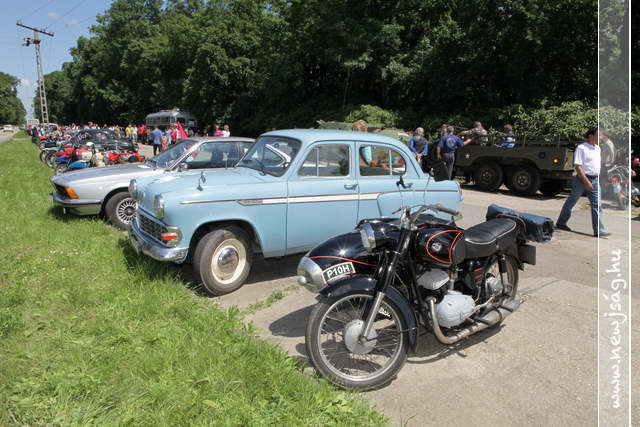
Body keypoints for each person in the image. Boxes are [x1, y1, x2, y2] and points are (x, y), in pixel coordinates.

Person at [556, 127, 610, 238]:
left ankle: (599, 230)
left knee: (597, 205)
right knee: (572, 201)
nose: (600, 138)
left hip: (595, 180)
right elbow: (578, 167)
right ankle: (561, 222)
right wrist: (587, 182)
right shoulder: (581, 148)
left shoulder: (598, 149)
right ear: (591, 136)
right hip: (581, 179)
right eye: (598, 135)